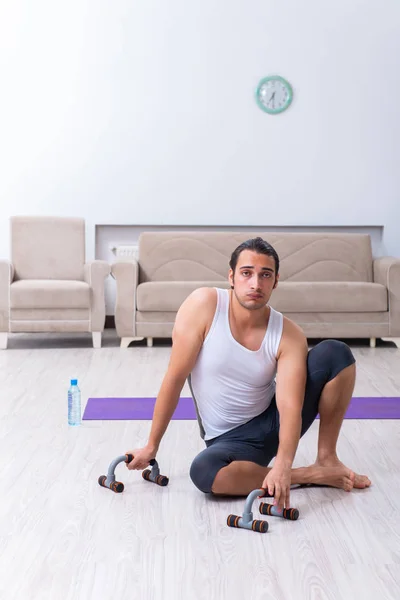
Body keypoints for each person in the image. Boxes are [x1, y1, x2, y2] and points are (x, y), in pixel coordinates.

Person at [126, 237, 371, 510]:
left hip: (272, 421)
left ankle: (327, 459)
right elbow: (174, 379)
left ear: (275, 281)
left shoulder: (288, 334)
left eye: (265, 275)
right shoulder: (204, 306)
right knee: (204, 471)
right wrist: (151, 446)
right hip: (229, 440)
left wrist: (282, 462)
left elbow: (290, 406)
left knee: (334, 353)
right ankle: (310, 475)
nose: (256, 284)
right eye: (247, 273)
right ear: (231, 276)